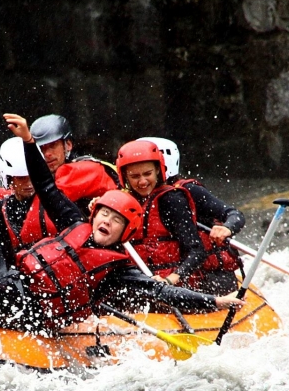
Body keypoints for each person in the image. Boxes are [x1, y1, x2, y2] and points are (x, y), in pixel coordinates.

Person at [0, 90, 243, 333]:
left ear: (125, 233)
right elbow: (46, 185)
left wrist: (214, 303)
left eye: (116, 221)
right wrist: (29, 142)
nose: (106, 222)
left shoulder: (117, 271)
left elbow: (164, 291)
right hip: (11, 275)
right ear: (95, 212)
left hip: (28, 312)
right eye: (105, 214)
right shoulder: (74, 221)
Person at [138, 137, 245, 294]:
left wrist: (227, 228)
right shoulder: (137, 197)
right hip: (164, 275)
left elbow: (234, 214)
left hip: (210, 276)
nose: (141, 180)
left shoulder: (189, 191)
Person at [115, 139, 212, 291]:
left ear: (158, 170)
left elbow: (197, 251)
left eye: (148, 174)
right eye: (134, 176)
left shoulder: (172, 200)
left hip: (174, 286)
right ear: (125, 176)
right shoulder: (120, 202)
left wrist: (170, 280)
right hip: (138, 284)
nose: (142, 182)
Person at [29, 114, 118, 216]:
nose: (47, 154)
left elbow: (44, 207)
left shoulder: (79, 169)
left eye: (53, 145)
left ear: (68, 145)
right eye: (41, 148)